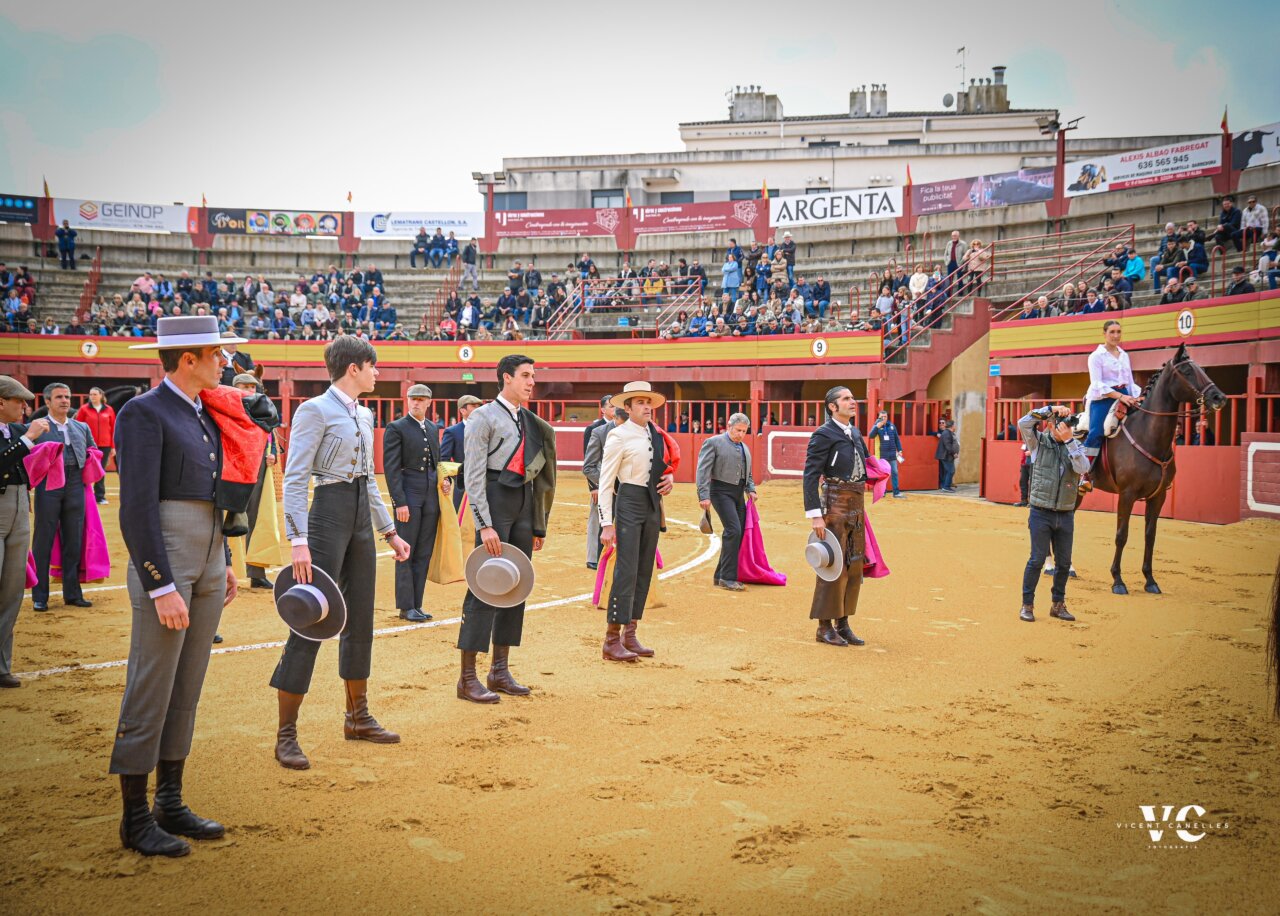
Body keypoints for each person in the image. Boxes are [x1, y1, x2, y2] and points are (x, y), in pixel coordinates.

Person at [109, 316, 244, 857]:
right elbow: (137, 505)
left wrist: (225, 557)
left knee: (186, 683)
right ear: (187, 358)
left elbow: (212, 494)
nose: (224, 362)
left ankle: (170, 799)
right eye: (217, 353)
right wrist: (158, 583)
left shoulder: (202, 412)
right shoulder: (142, 413)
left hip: (208, 554)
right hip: (166, 557)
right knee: (152, 683)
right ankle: (135, 816)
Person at [270, 337, 412, 770]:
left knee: (361, 618)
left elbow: (368, 479)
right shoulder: (315, 409)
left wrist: (388, 532)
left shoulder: (364, 414)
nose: (378, 373)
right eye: (374, 366)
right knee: (311, 617)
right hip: (326, 518)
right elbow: (295, 478)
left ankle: (357, 717)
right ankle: (286, 733)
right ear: (354, 368)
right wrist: (298, 540)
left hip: (357, 523)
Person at [457, 355, 557, 702]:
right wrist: (484, 524)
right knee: (484, 587)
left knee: (516, 587)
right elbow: (472, 475)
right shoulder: (482, 417)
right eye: (526, 376)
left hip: (523, 504)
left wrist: (536, 524)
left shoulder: (529, 420)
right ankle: (467, 678)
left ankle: (499, 671)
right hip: (496, 502)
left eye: (533, 376)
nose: (532, 382)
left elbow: (538, 475)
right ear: (506, 378)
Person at [598, 382, 675, 662]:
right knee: (626, 569)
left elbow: (661, 466)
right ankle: (611, 638)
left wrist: (669, 478)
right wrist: (607, 522)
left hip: (652, 503)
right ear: (627, 408)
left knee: (644, 568)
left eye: (648, 402)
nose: (647, 407)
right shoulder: (618, 436)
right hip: (628, 500)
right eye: (640, 403)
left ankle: (630, 634)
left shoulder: (655, 434)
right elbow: (606, 481)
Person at [803, 387, 871, 647]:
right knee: (832, 564)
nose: (853, 402)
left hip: (856, 501)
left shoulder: (853, 432)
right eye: (846, 399)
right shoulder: (823, 434)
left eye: (852, 398)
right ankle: (824, 626)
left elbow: (864, 462)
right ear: (832, 407)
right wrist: (816, 515)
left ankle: (843, 623)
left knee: (853, 565)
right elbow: (810, 474)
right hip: (833, 503)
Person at [1017, 405, 1089, 623]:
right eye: (1060, 425)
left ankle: (1058, 605)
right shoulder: (1038, 443)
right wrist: (1049, 409)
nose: (1065, 428)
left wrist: (1069, 440)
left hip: (1066, 513)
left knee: (1064, 563)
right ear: (1050, 425)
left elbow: (1083, 467)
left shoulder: (1074, 445)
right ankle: (1027, 605)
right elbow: (1023, 423)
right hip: (1041, 512)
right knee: (1037, 560)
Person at [384, 384, 448, 623]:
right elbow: (391, 469)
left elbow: (437, 462)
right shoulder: (396, 427)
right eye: (412, 399)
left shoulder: (433, 428)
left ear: (429, 403)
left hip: (430, 495)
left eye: (421, 400)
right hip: (408, 495)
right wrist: (399, 502)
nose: (416, 403)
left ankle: (417, 604)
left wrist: (444, 481)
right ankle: (405, 606)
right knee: (405, 550)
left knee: (423, 552)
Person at [30, 383, 95, 611]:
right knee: (43, 540)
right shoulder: (37, 427)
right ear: (47, 402)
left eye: (67, 397)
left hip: (75, 483)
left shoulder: (81, 427)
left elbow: (93, 452)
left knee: (74, 541)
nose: (65, 400)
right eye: (59, 397)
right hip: (48, 484)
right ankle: (40, 596)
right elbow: (27, 457)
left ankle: (72, 593)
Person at [0, 378, 48, 688]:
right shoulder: (22, 435)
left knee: (12, 591)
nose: (24, 407)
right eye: (18, 402)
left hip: (18, 508)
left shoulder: (16, 431)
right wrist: (29, 440)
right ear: (1, 402)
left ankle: (2, 665)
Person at [696, 413, 756, 592]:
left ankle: (720, 574)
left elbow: (748, 473)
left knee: (738, 532)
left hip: (738, 493)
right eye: (738, 430)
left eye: (744, 431)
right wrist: (703, 495)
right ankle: (727, 578)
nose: (741, 434)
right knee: (733, 530)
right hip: (720, 491)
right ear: (729, 426)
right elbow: (703, 470)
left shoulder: (745, 447)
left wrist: (750, 489)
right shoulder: (713, 442)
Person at [230, 374, 279, 591]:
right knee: (226, 519)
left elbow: (272, 437)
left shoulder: (263, 407)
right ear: (235, 387)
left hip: (258, 467)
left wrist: (274, 454)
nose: (250, 390)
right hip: (234, 468)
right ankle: (223, 569)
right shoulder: (227, 405)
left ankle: (256, 573)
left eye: (253, 386)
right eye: (244, 386)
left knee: (258, 519)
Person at [1079, 319, 1140, 489]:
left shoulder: (1124, 355)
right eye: (1112, 332)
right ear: (1104, 334)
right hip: (1103, 398)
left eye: (1118, 332)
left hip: (1125, 395)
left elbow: (1129, 381)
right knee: (1096, 432)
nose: (1115, 335)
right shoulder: (1096, 356)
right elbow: (1097, 384)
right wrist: (1121, 396)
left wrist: (1135, 396)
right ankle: (1084, 473)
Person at [581, 396, 612, 570]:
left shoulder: (621, 427)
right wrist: (594, 487)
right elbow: (589, 460)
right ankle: (592, 557)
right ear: (603, 409)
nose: (614, 409)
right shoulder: (594, 429)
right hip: (598, 481)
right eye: (610, 406)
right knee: (596, 517)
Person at [440, 394, 483, 513]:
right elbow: (444, 459)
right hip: (463, 485)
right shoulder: (452, 432)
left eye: (479, 406)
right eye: (474, 406)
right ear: (463, 410)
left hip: (485, 483)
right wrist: (455, 477)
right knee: (461, 519)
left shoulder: (488, 428)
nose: (478, 409)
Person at [75, 387, 116, 506]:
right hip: (88, 444)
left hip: (105, 445)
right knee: (85, 469)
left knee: (101, 470)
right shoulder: (84, 409)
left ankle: (100, 496)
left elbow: (113, 428)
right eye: (90, 394)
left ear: (101, 396)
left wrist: (113, 446)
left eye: (94, 394)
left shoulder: (109, 410)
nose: (92, 396)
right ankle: (82, 494)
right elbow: (78, 427)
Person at [868, 410, 906, 498]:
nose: (883, 418)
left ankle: (896, 492)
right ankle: (882, 492)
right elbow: (871, 436)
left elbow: (897, 439)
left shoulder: (892, 426)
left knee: (895, 472)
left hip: (892, 454)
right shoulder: (876, 426)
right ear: (879, 417)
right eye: (882, 417)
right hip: (882, 455)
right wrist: (877, 427)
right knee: (883, 474)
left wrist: (900, 450)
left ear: (887, 417)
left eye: (885, 417)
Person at [932, 418, 959, 491]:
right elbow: (948, 445)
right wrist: (954, 453)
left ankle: (946, 486)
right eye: (954, 425)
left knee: (949, 471)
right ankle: (945, 486)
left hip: (948, 455)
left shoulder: (949, 433)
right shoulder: (946, 433)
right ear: (952, 426)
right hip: (945, 455)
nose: (955, 427)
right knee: (950, 471)